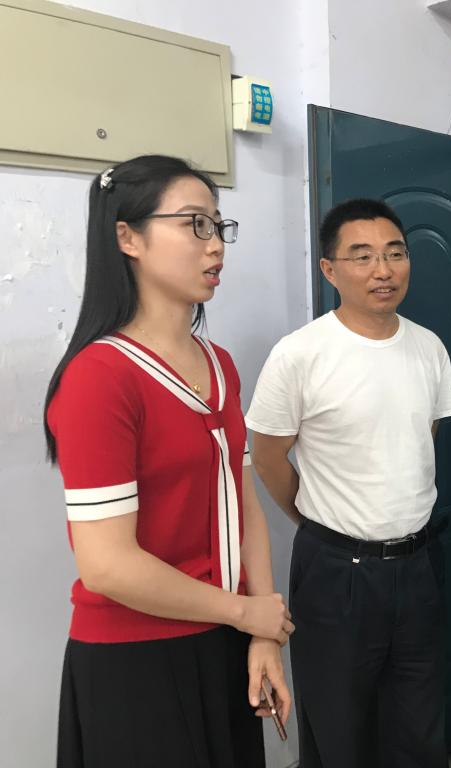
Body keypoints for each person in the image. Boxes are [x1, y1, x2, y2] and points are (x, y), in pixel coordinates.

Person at [44, 155, 294, 768]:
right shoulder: (100, 376)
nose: (216, 245)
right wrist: (247, 612)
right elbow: (107, 565)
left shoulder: (220, 365)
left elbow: (243, 503)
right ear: (127, 237)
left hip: (225, 637)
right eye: (194, 224)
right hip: (137, 658)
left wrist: (262, 631)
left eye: (219, 225)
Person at [246, 198, 451, 767]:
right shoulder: (300, 354)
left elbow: (423, 437)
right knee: (338, 731)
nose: (382, 270)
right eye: (362, 257)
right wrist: (322, 524)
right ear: (329, 269)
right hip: (336, 572)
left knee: (418, 725)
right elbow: (267, 458)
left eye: (395, 254)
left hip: (419, 564)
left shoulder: (428, 347)